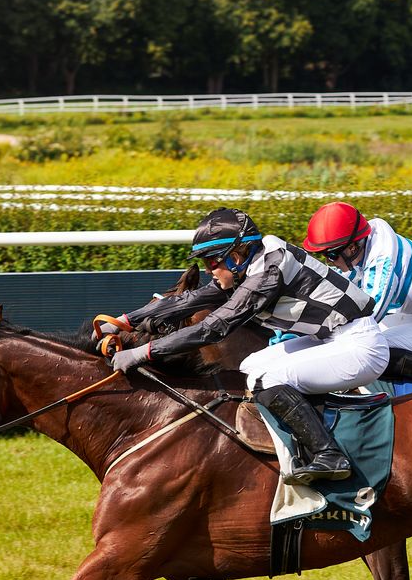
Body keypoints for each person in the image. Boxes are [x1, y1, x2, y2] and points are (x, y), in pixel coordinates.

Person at [107, 207, 389, 485]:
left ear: (236, 254)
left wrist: (143, 353)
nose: (209, 270)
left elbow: (212, 328)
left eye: (212, 262)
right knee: (251, 366)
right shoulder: (254, 264)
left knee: (266, 378)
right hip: (332, 338)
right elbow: (190, 300)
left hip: (358, 345)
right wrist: (123, 321)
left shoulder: (266, 275)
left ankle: (329, 455)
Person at [302, 201, 412, 386]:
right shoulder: (362, 248)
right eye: (322, 255)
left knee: (367, 348)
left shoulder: (383, 264)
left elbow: (367, 319)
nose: (328, 261)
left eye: (331, 255)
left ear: (352, 247)